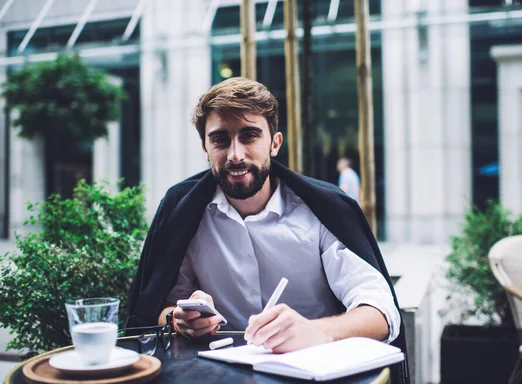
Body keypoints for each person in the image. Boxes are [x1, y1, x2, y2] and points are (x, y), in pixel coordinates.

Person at [127, 78, 408, 374]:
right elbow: (158, 309)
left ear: (274, 144)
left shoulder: (320, 211)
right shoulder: (182, 212)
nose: (236, 155)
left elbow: (382, 315)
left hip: (311, 375)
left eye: (249, 136)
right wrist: (178, 318)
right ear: (205, 147)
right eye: (221, 139)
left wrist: (315, 331)